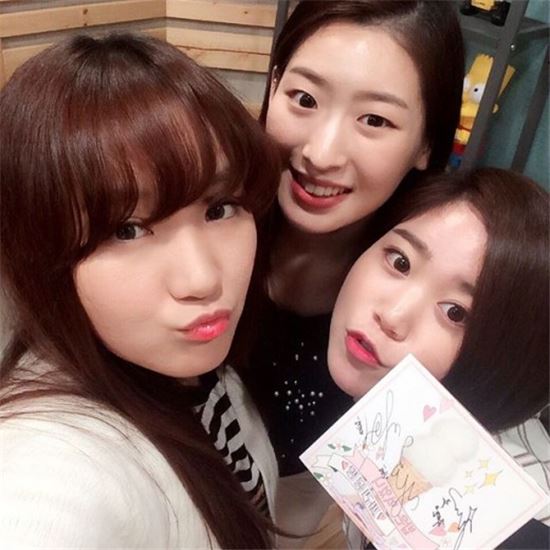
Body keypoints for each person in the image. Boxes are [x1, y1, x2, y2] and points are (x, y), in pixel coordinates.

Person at [0, 33, 282, 547]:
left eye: (220, 208)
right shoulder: (50, 463)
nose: (202, 279)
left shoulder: (197, 367)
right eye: (127, 230)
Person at [243, 0, 465, 542]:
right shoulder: (206, 215)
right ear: (274, 85)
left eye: (375, 120)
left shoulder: (428, 291)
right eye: (304, 98)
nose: (321, 153)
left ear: (427, 143)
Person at [328, 167, 550, 547]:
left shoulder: (513, 523)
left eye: (455, 313)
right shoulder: (385, 419)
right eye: (400, 261)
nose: (392, 316)